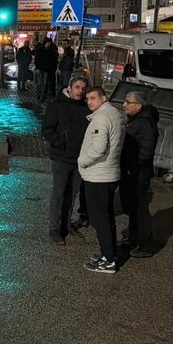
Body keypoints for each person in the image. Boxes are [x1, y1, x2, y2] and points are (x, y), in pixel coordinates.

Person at [78, 87, 125, 273]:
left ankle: (108, 260)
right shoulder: (114, 114)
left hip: (99, 175)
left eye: (93, 98)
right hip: (108, 174)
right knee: (106, 217)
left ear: (103, 98)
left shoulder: (102, 117)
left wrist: (82, 161)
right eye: (87, 98)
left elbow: (98, 148)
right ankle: (109, 252)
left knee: (100, 219)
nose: (89, 101)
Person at [41, 76, 91, 245]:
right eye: (77, 87)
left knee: (73, 193)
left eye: (83, 88)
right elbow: (47, 130)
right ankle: (54, 228)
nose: (80, 91)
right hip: (61, 157)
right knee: (59, 193)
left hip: (80, 158)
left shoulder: (86, 108)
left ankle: (66, 223)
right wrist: (62, 142)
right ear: (69, 88)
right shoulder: (56, 105)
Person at [120, 91, 159, 258]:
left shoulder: (144, 123)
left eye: (128, 102)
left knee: (140, 208)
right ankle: (134, 237)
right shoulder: (136, 120)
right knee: (134, 207)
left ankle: (145, 243)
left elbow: (145, 151)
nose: (124, 105)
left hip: (138, 173)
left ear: (138, 105)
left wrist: (133, 166)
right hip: (133, 171)